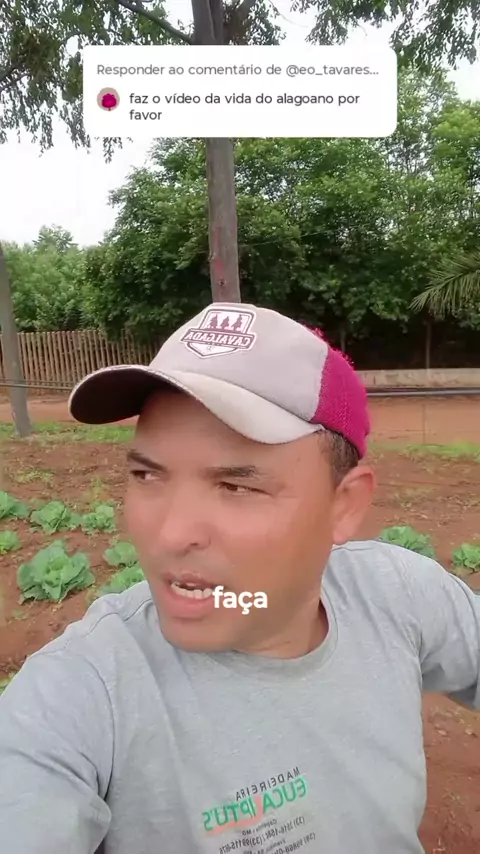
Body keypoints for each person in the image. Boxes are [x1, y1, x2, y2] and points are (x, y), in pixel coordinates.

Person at [1, 302, 479, 854]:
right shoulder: (84, 693)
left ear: (344, 506)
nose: (171, 534)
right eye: (147, 475)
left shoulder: (397, 593)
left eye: (236, 487)